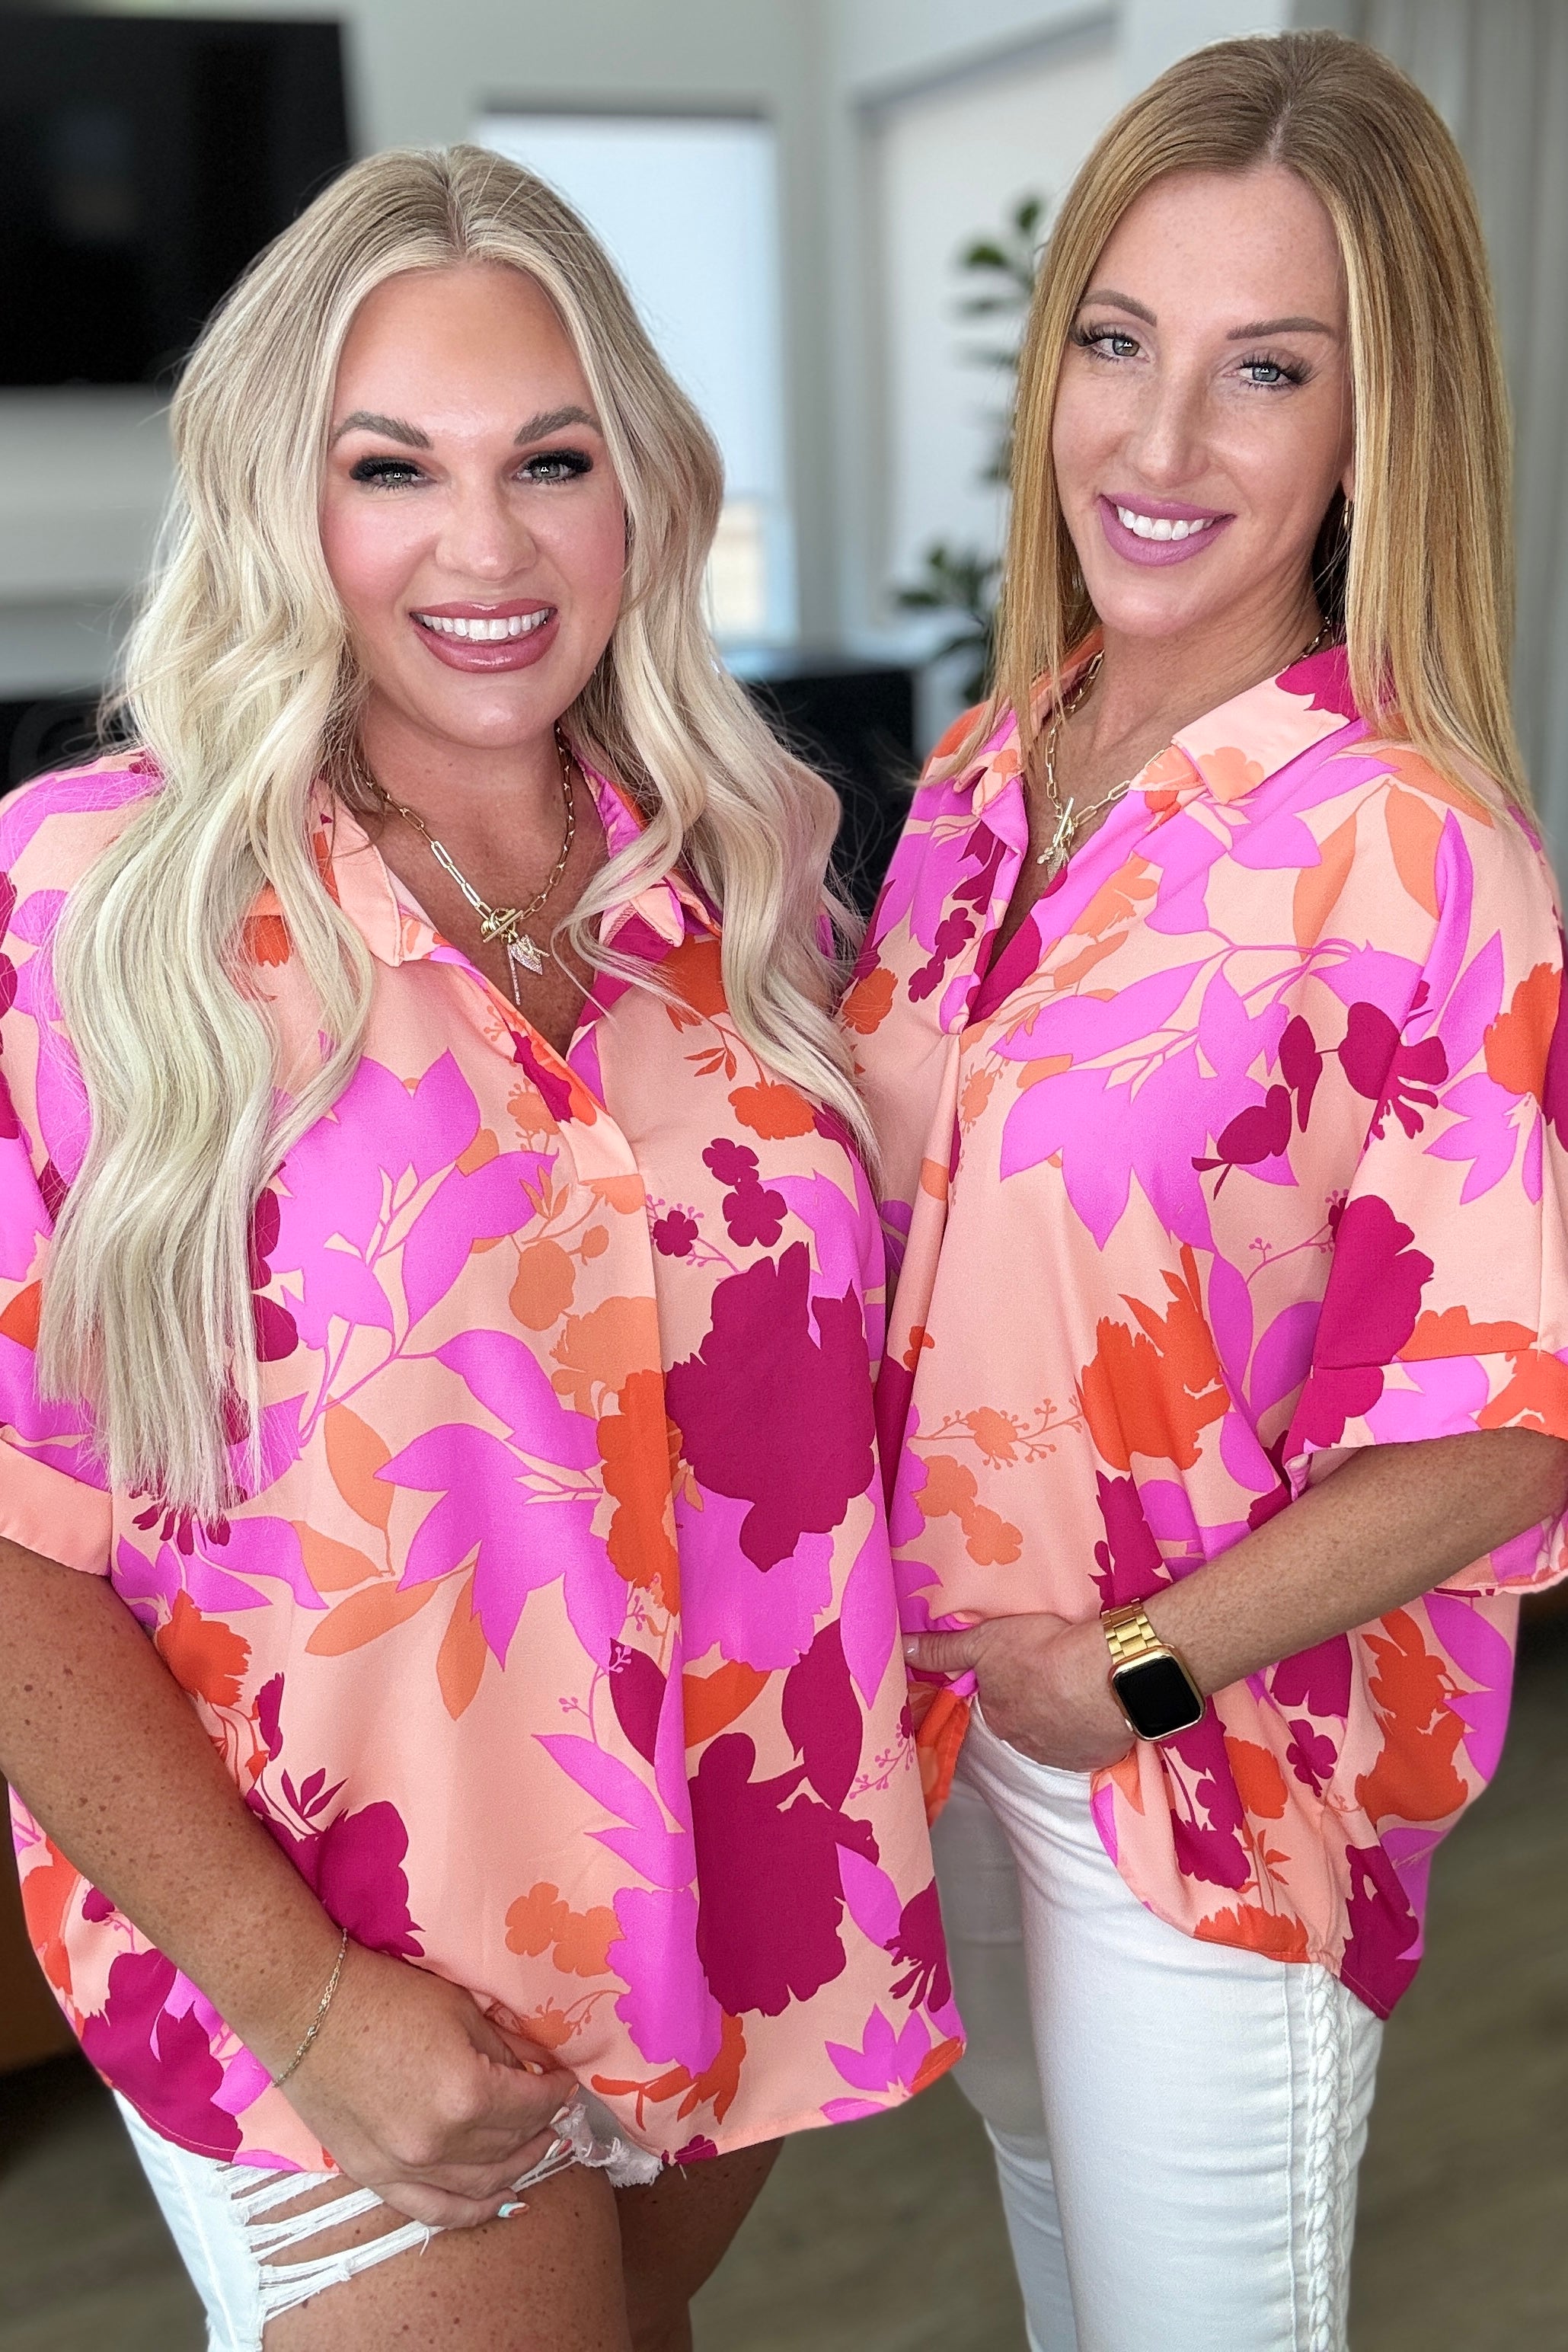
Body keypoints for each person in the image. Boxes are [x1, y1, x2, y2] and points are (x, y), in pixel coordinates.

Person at [0, 147, 956, 2352]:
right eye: (392, 469)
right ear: (282, 502)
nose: (489, 547)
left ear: (640, 487)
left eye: (550, 458)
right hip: (349, 1974)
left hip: (739, 1914)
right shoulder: (96, 912)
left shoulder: (754, 882)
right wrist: (309, 2002)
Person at [847, 30, 1568, 2351]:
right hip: (954, 1721)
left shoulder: (1413, 852)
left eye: (1262, 371)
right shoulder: (988, 770)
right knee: (1065, 2272)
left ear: (1373, 426)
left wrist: (1131, 1674)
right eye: (1114, 343)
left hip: (1198, 1764)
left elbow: (1511, 1421)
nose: (1153, 446)